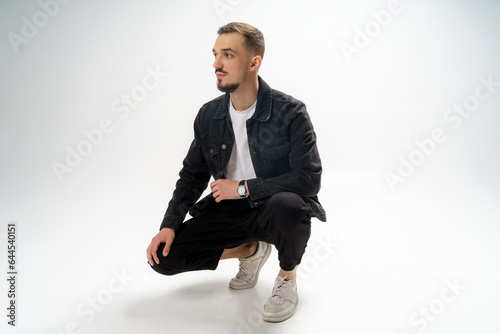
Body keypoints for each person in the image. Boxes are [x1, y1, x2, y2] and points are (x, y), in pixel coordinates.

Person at [146, 22, 326, 323]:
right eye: (216, 54)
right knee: (162, 258)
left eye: (228, 55)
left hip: (273, 209)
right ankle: (250, 250)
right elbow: (192, 175)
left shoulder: (290, 112)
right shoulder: (209, 115)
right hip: (229, 212)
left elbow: (308, 179)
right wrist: (169, 224)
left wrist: (243, 188)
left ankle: (286, 277)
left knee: (290, 205)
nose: (217, 63)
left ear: (254, 62)